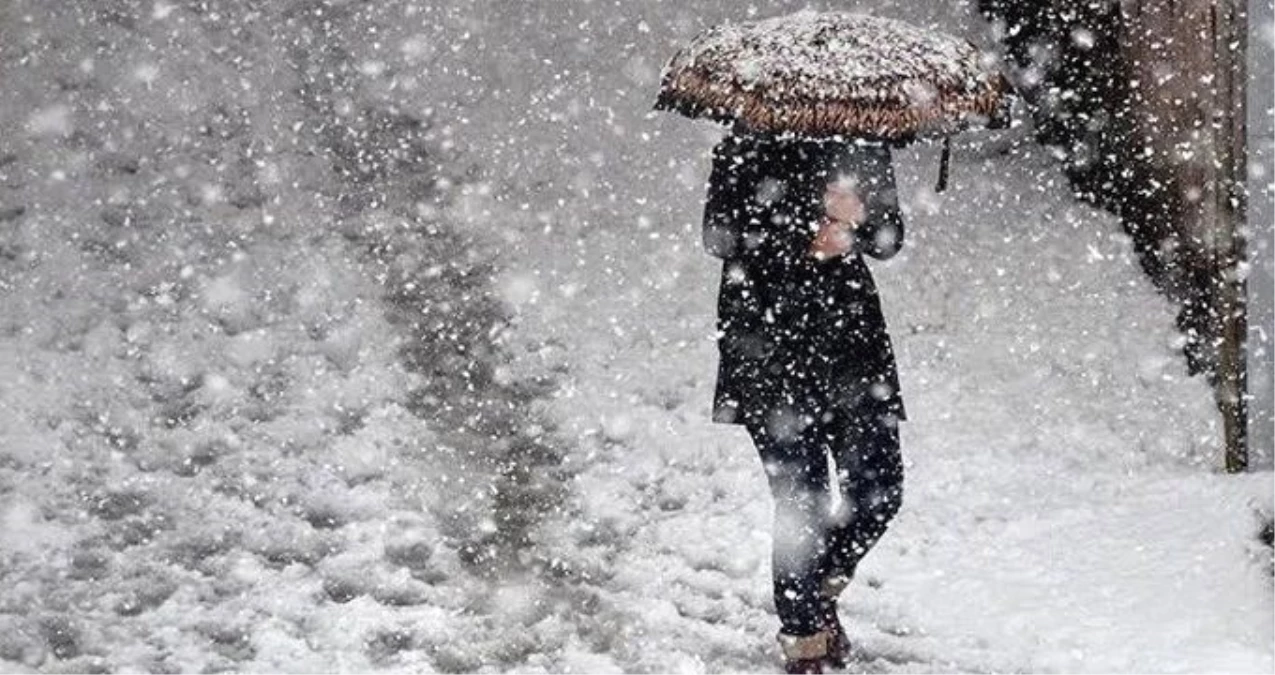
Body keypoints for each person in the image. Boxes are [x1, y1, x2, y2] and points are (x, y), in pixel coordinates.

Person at [701, 129, 906, 675]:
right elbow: (721, 237)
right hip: (768, 349)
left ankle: (816, 589)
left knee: (880, 489)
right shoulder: (744, 146)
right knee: (803, 504)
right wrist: (808, 226)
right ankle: (804, 641)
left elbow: (889, 239)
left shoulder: (862, 144)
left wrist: (857, 221)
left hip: (852, 350)